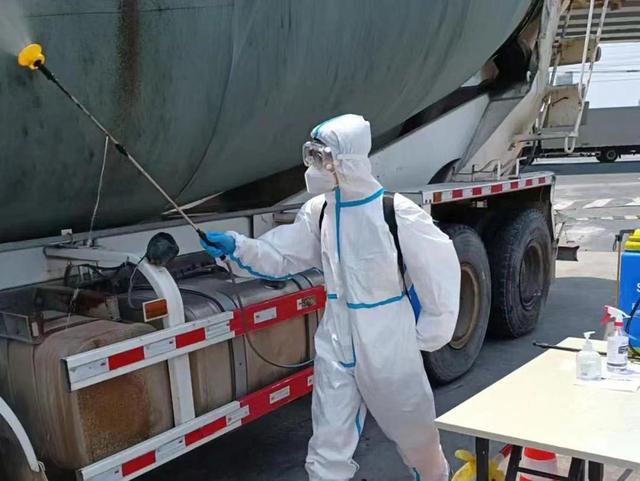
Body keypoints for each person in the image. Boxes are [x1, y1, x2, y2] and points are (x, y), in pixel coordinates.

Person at [201, 114, 461, 481]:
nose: (314, 167)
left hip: (388, 340)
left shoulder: (394, 212)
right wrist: (238, 247)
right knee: (327, 443)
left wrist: (428, 332)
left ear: (347, 162)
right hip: (336, 338)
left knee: (415, 435)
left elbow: (439, 271)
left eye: (322, 158)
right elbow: (283, 254)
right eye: (312, 156)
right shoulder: (320, 210)